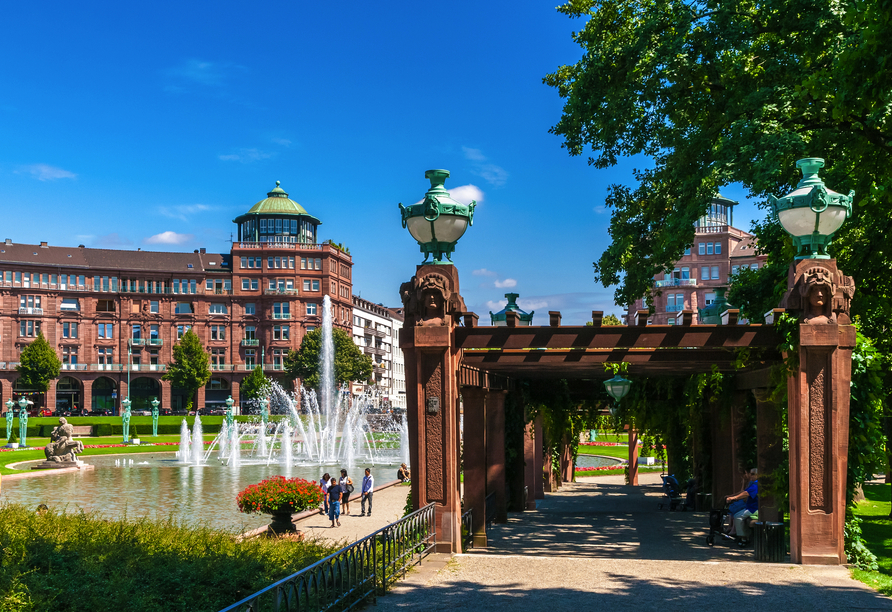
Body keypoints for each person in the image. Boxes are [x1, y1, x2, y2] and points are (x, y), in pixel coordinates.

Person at [725, 468, 758, 539]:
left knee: (738, 516)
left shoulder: (756, 484)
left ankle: (743, 537)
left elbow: (746, 493)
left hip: (754, 509)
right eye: (750, 474)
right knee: (736, 513)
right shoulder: (753, 483)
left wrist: (734, 498)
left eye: (753, 474)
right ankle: (740, 534)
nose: (751, 476)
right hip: (750, 507)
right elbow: (744, 491)